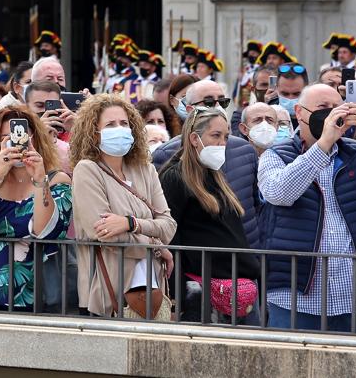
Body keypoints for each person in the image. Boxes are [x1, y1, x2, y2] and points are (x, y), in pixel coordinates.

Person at [257, 83, 356, 333]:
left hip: (354, 295)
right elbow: (279, 193)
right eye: (323, 108)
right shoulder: (276, 155)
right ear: (299, 112)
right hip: (296, 296)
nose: (331, 114)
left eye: (336, 108)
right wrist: (323, 144)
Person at [0, 105, 72, 311]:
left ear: (34, 138)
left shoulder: (55, 179)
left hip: (29, 293)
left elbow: (47, 231)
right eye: (4, 137)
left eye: (20, 135)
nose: (13, 142)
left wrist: (39, 180)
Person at [70, 93, 177, 317]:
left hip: (152, 285)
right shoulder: (87, 169)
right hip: (109, 287)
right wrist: (155, 244)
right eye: (110, 124)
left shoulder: (144, 168)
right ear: (94, 132)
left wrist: (130, 224)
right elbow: (105, 233)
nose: (119, 129)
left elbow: (169, 225)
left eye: (124, 123)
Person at [158, 107, 259, 323]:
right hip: (200, 293)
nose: (222, 143)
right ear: (195, 138)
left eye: (226, 137)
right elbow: (171, 239)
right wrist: (176, 299)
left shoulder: (214, 174)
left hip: (236, 289)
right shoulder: (175, 177)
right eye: (215, 135)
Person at [152, 78, 260, 246]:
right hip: (199, 265)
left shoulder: (246, 150)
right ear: (189, 109)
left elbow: (255, 206)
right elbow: (167, 220)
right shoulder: (166, 155)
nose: (217, 107)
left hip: (246, 257)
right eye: (208, 102)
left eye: (222, 102)